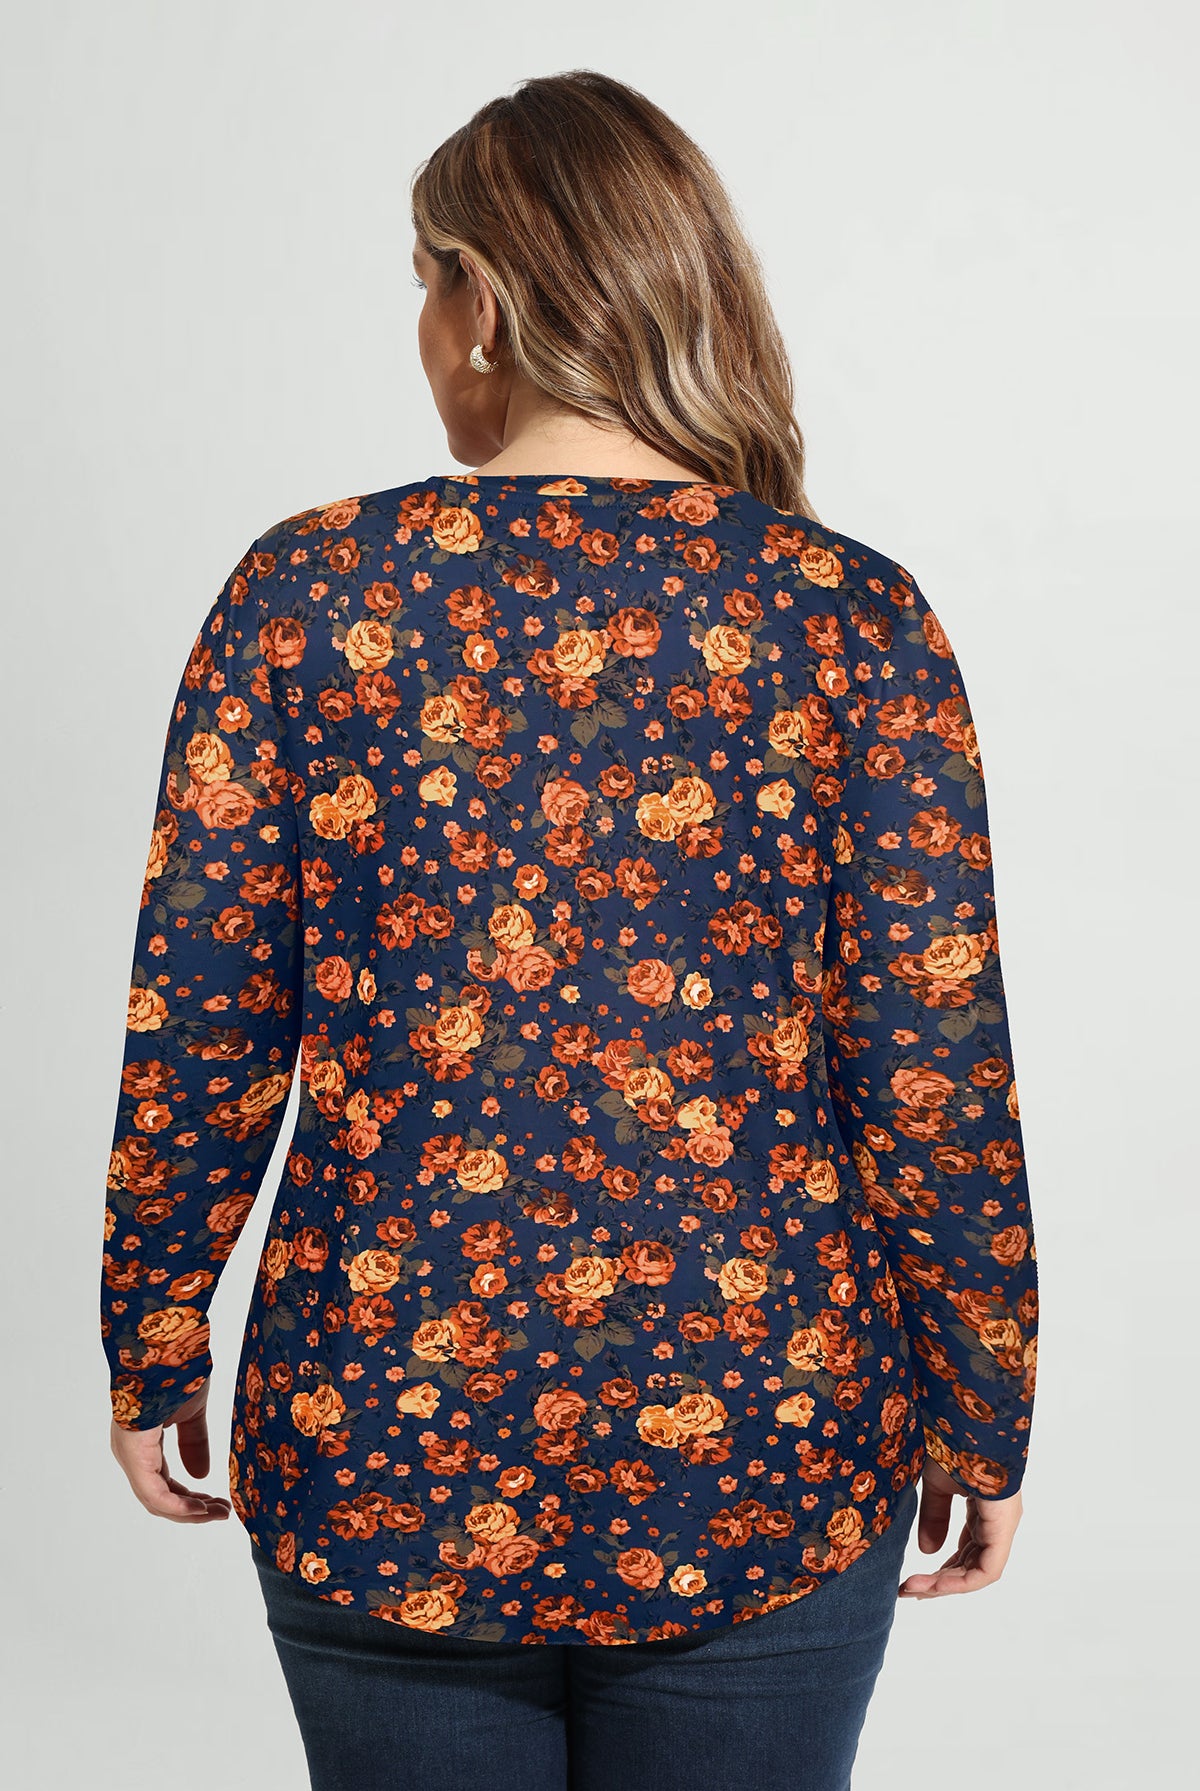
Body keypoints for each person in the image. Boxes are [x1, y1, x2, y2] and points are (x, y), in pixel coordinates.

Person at [100, 68, 1038, 1791]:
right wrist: (983, 1399)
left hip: (383, 1433)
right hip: (759, 1439)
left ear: (488, 299)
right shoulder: (847, 616)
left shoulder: (306, 593)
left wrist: (155, 1333)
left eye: (423, 281)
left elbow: (203, 1018)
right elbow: (930, 1058)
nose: (423, 327)